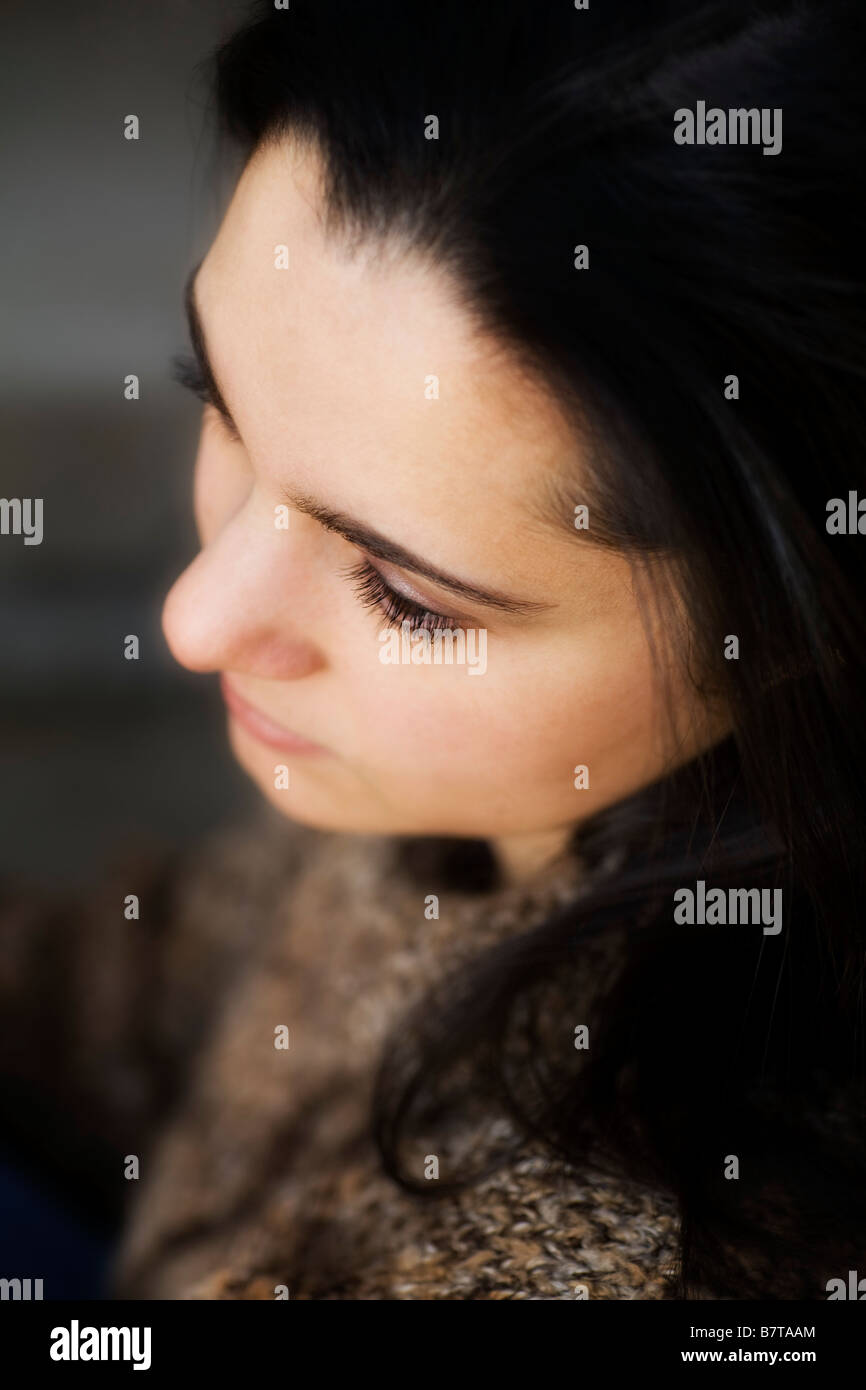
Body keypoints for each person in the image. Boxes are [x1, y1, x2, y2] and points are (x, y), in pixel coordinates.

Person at [3, 0, 866, 1299]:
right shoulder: (483, 790)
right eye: (218, 407)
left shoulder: (650, 1254)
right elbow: (142, 987)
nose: (194, 619)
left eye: (403, 594)